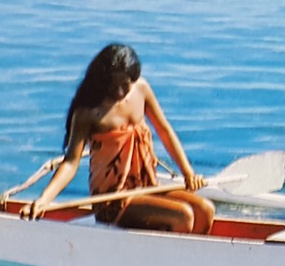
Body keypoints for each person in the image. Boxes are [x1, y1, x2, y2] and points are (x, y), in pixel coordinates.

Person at [21, 44, 215, 234]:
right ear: (102, 81)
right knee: (183, 215)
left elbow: (165, 131)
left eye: (126, 85)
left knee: (205, 210)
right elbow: (71, 163)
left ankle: (186, 257)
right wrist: (44, 200)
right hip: (112, 200)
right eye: (114, 86)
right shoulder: (88, 113)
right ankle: (169, 260)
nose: (120, 92)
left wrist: (189, 173)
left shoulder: (142, 89)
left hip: (145, 187)